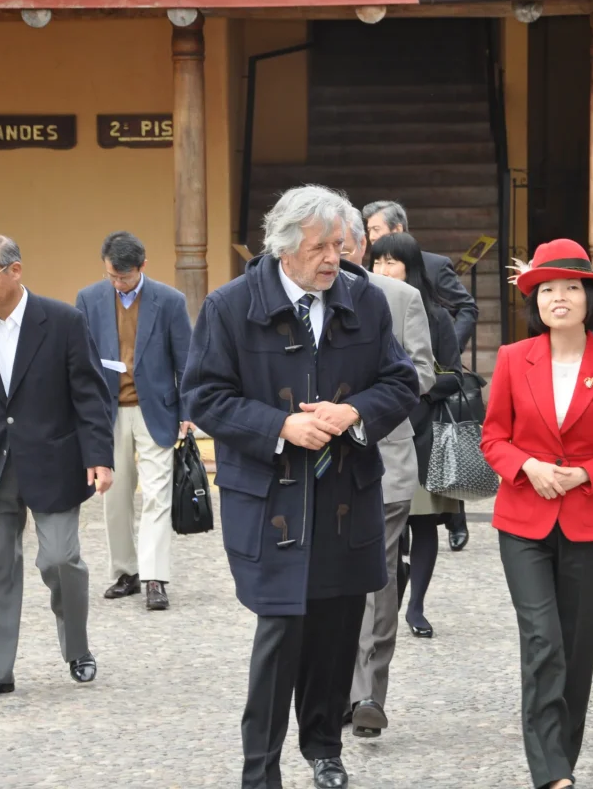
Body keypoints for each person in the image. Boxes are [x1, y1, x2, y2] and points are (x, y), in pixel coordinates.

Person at [180, 185, 419, 789]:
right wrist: (281, 425)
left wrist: (353, 413)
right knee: (280, 631)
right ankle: (259, 769)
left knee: (338, 631)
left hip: (345, 496)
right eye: (320, 247)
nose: (333, 258)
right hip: (271, 500)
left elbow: (400, 381)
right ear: (284, 248)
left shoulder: (364, 299)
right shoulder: (230, 305)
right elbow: (204, 397)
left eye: (340, 245)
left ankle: (324, 748)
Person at [480, 238, 593, 789]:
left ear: (589, 298)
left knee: (577, 651)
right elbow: (492, 440)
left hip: (589, 521)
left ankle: (560, 763)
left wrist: (586, 474)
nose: (558, 298)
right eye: (547, 289)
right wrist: (527, 467)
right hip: (522, 523)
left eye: (570, 288)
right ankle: (550, 773)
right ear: (536, 301)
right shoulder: (511, 359)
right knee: (543, 641)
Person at [0, 233, 114, 699]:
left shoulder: (64, 321)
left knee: (60, 559)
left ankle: (77, 649)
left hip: (53, 459)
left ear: (15, 270)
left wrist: (99, 458)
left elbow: (91, 396)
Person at [341, 206, 435, 738]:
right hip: (313, 463)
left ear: (361, 246)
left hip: (384, 458)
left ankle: (369, 694)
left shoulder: (399, 298)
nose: (332, 254)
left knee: (377, 580)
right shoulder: (298, 303)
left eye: (342, 243)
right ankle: (335, 687)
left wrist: (363, 404)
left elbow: (422, 374)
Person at [76, 231, 193, 611]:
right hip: (107, 411)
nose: (117, 282)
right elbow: (79, 359)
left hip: (156, 408)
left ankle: (154, 577)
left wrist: (188, 413)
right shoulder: (89, 299)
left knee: (158, 495)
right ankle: (125, 572)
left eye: (124, 276)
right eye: (112, 275)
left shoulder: (170, 301)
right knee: (114, 495)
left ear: (142, 266)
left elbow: (186, 362)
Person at [363, 200, 477, 553]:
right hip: (385, 421)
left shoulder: (433, 270)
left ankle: (455, 520)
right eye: (369, 234)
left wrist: (444, 354)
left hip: (424, 411)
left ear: (399, 230)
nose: (372, 241)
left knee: (425, 509)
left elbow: (465, 310)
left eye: (377, 230)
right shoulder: (363, 291)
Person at [371, 232, 462, 639]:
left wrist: (415, 388)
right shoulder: (367, 305)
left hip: (424, 429)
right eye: (378, 262)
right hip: (382, 429)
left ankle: (417, 606)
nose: (383, 270)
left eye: (392, 262)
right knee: (388, 524)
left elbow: (454, 376)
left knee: (423, 523)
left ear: (411, 267)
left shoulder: (435, 314)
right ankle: (393, 586)